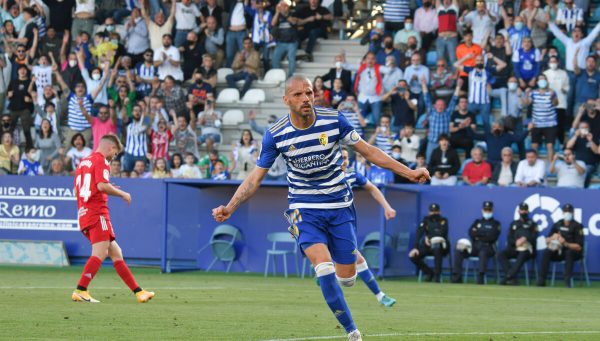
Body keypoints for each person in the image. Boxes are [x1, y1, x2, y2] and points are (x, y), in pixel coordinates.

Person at [212, 75, 429, 341]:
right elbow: (255, 178)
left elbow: (370, 151)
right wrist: (231, 206)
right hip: (304, 207)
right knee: (323, 267)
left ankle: (341, 276)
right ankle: (353, 332)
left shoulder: (334, 120)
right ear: (286, 100)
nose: (306, 98)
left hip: (340, 206)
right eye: (298, 95)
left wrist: (408, 172)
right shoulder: (276, 134)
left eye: (309, 93)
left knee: (347, 277)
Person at [71, 134, 154, 304]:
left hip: (84, 212)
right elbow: (101, 186)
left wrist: (105, 189)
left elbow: (80, 190)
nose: (113, 157)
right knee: (100, 254)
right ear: (111, 147)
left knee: (116, 253)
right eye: (115, 153)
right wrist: (123, 193)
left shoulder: (83, 162)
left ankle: (139, 292)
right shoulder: (101, 160)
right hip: (97, 213)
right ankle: (81, 289)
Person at [339, 148, 396, 307]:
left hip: (343, 227)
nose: (344, 160)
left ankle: (380, 296)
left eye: (345, 157)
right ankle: (380, 295)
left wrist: (387, 207)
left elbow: (372, 187)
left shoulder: (351, 175)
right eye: (340, 157)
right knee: (350, 268)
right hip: (327, 226)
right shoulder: (322, 176)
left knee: (357, 262)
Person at [451, 201, 501, 284]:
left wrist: (478, 235)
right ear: (482, 210)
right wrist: (485, 234)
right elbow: (471, 233)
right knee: (459, 249)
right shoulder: (477, 222)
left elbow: (493, 237)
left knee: (483, 252)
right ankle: (457, 276)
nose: (487, 212)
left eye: (489, 210)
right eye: (485, 210)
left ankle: (480, 278)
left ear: (492, 210)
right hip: (475, 246)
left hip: (488, 247)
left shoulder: (496, 224)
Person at [537, 204, 584, 288]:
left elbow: (579, 246)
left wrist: (565, 243)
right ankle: (541, 280)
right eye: (565, 211)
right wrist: (552, 238)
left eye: (569, 212)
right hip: (559, 251)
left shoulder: (577, 226)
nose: (567, 213)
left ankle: (567, 282)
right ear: (562, 212)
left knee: (569, 253)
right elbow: (546, 241)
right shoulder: (557, 224)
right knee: (547, 251)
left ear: (573, 213)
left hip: (572, 252)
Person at [521, 74, 559, 162]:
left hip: (550, 123)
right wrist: (526, 95)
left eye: (543, 79)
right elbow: (527, 103)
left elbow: (556, 104)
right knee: (534, 145)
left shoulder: (552, 92)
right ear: (537, 82)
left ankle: (550, 166)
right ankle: (535, 164)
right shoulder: (533, 93)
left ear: (546, 81)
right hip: (536, 123)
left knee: (550, 145)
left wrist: (553, 96)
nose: (542, 81)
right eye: (540, 79)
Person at [422, 77, 462, 162]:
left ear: (445, 106)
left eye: (442, 105)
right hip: (432, 142)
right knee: (429, 162)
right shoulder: (431, 111)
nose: (440, 106)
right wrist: (423, 84)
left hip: (445, 143)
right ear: (435, 106)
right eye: (438, 105)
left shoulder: (448, 113)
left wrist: (458, 86)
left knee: (445, 162)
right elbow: (426, 98)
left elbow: (454, 99)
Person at [498, 203, 538, 285]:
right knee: (501, 254)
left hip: (527, 249)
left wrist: (525, 239)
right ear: (519, 211)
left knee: (522, 254)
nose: (523, 212)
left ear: (528, 211)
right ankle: (513, 278)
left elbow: (535, 237)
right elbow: (509, 238)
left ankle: (508, 277)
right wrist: (516, 242)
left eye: (525, 210)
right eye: (522, 210)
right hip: (515, 247)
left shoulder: (532, 224)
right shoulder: (514, 224)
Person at [409, 203, 450, 283]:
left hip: (441, 246)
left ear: (439, 212)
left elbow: (442, 233)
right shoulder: (426, 220)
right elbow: (419, 233)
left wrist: (429, 238)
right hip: (428, 246)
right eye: (432, 211)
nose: (433, 213)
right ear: (429, 212)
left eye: (435, 211)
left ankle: (437, 277)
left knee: (437, 248)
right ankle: (429, 273)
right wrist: (415, 247)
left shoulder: (443, 220)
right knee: (413, 256)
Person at [565, 120, 599, 187]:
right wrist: (575, 136)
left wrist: (590, 140)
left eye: (585, 128)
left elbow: (596, 151)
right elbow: (568, 146)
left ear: (589, 129)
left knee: (585, 172)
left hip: (589, 164)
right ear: (578, 129)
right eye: (581, 128)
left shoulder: (593, 138)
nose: (583, 129)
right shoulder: (575, 138)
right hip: (576, 163)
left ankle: (583, 190)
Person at [271, 0, 299, 77]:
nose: (283, 7)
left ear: (287, 6)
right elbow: (273, 23)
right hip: (281, 42)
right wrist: (277, 12)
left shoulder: (293, 13)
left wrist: (285, 15)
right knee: (275, 59)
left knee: (291, 58)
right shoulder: (278, 15)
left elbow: (293, 22)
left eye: (284, 6)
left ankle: (290, 76)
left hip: (292, 42)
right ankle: (279, 75)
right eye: (282, 6)